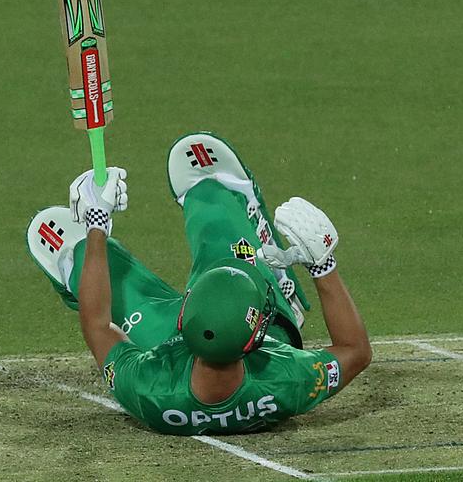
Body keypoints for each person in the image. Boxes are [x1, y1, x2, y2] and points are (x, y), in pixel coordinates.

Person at [26, 132, 372, 435]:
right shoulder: (285, 377)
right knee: (225, 239)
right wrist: (324, 266)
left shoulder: (150, 386)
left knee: (88, 263)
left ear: (183, 315)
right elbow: (355, 351)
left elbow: (96, 323)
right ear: (256, 341)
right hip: (254, 345)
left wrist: (96, 225)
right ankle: (217, 190)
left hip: (171, 351)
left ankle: (80, 254)